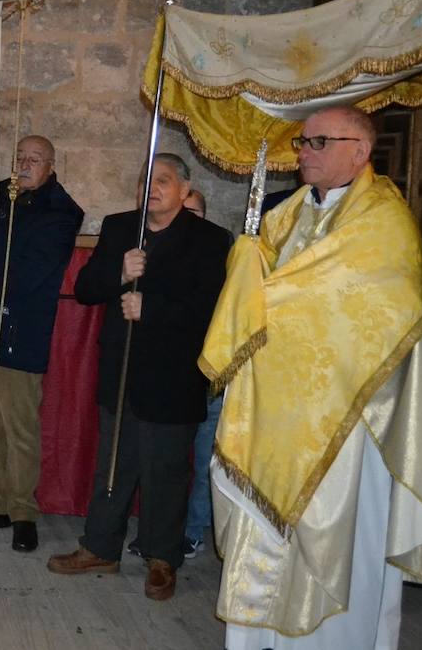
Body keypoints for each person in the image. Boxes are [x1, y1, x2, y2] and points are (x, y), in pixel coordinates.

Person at [201, 104, 422, 648]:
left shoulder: (384, 222)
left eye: (317, 143)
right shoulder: (285, 214)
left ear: (360, 152)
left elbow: (375, 310)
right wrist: (244, 268)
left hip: (345, 416)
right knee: (264, 537)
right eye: (302, 144)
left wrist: (267, 294)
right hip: (270, 412)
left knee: (332, 538)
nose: (303, 153)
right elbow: (256, 295)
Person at [47, 152, 231, 601]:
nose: (153, 188)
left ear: (185, 190)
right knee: (113, 463)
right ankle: (100, 547)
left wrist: (153, 309)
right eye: (147, 180)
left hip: (173, 377)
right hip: (122, 371)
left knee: (165, 472)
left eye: (164, 180)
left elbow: (213, 309)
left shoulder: (210, 240)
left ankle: (162, 558)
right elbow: (87, 290)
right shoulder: (118, 228)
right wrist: (119, 271)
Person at [0, 135, 83, 553]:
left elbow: (27, 274)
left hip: (20, 330)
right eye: (20, 158)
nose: (25, 165)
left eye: (35, 159)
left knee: (19, 427)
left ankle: (23, 511)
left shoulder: (61, 211)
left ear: (51, 165)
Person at [181, 187, 224, 562]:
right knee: (172, 459)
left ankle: (192, 531)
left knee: (202, 457)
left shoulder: (219, 256)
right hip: (172, 375)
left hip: (209, 374)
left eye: (194, 212)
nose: (187, 218)